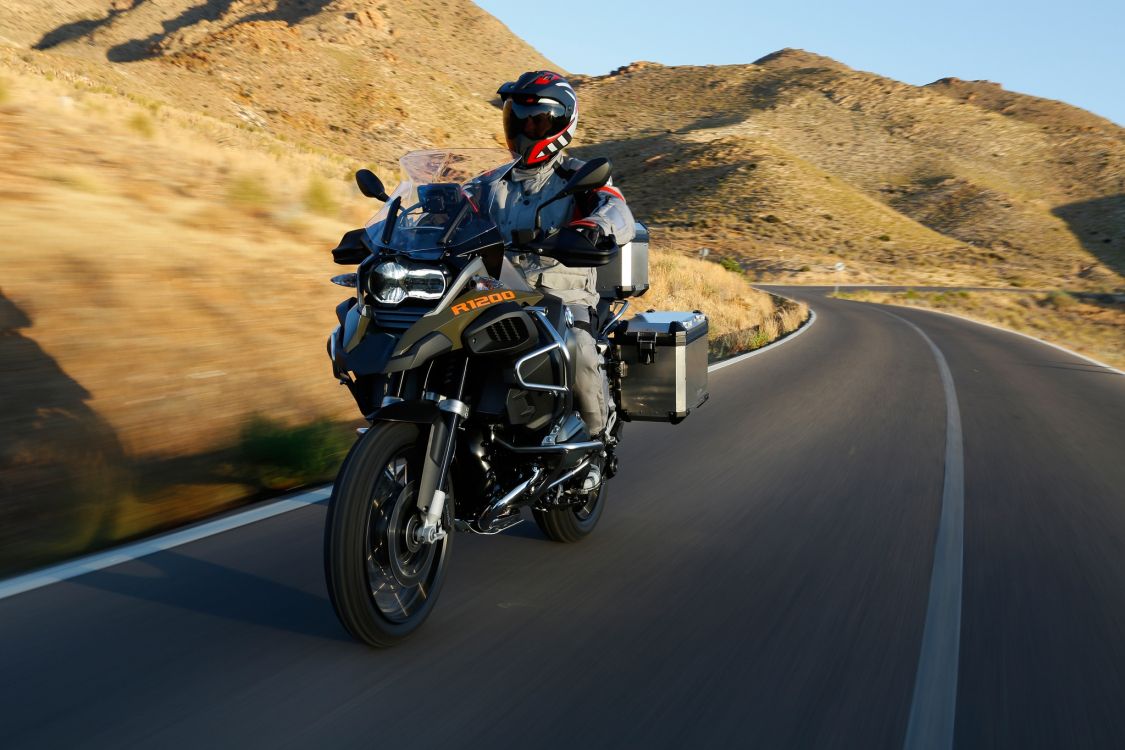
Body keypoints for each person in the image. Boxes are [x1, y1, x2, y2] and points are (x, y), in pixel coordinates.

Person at [486, 70, 635, 486]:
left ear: (561, 124)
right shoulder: (490, 183)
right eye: (520, 120)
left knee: (577, 348)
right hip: (495, 294)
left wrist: (595, 227)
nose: (527, 129)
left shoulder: (581, 178)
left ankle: (596, 440)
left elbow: (617, 210)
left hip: (562, 297)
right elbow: (455, 214)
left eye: (537, 121)